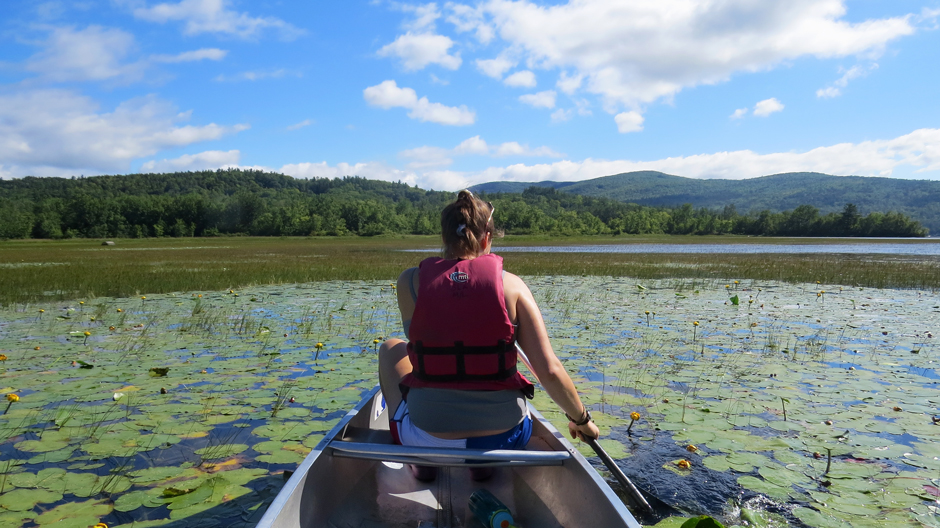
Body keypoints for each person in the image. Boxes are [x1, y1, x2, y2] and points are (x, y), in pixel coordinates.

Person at [378, 190, 600, 480]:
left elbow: (418, 341)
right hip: (503, 439)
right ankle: (485, 469)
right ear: (487, 239)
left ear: (444, 239)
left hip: (426, 439)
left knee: (392, 348)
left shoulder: (409, 282)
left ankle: (423, 465)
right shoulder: (513, 286)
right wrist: (581, 420)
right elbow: (549, 369)